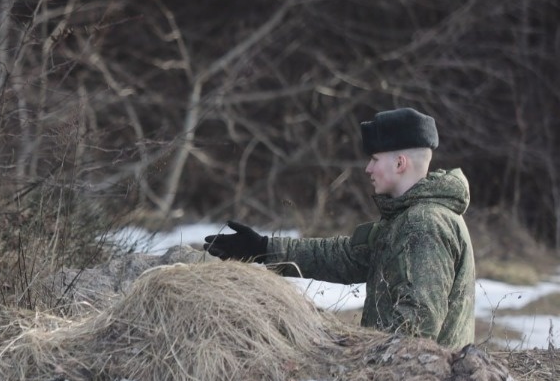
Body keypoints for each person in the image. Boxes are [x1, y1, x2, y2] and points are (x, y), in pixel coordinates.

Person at [203, 107, 475, 349]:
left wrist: (359, 357)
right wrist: (264, 248)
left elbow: (417, 331)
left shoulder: (424, 224)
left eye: (374, 159)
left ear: (399, 163)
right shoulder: (406, 219)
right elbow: (345, 256)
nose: (368, 168)